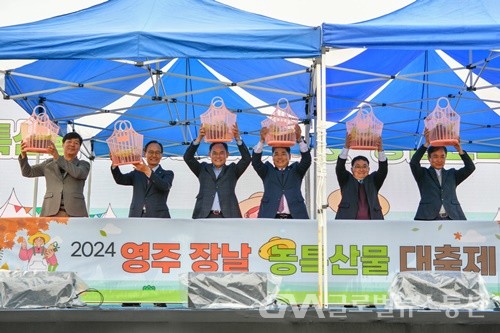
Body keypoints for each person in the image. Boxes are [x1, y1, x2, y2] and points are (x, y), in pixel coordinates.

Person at [183, 123, 251, 219]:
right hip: (204, 216)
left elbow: (246, 159)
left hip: (228, 217)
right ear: (209, 154)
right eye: (214, 153)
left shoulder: (232, 170)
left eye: (221, 153)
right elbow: (188, 157)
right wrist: (199, 138)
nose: (218, 156)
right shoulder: (202, 169)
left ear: (227, 155)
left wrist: (238, 138)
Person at [18, 131, 89, 217]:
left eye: (76, 143)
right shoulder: (49, 164)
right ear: (63, 145)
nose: (72, 144)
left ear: (79, 147)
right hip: (50, 211)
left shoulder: (83, 164)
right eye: (69, 141)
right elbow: (28, 172)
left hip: (75, 212)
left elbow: (78, 173)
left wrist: (57, 157)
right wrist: (23, 156)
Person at [410, 128, 475, 220]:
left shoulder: (452, 174)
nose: (439, 160)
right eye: (435, 157)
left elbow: (470, 167)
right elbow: (413, 163)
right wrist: (427, 143)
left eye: (442, 157)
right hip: (428, 217)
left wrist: (459, 149)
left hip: (452, 217)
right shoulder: (423, 174)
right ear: (429, 159)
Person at [252, 124, 311, 219]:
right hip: (270, 217)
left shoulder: (296, 170)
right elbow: (255, 162)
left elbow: (306, 160)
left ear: (290, 157)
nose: (279, 157)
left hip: (295, 217)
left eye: (283, 154)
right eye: (276, 154)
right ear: (272, 157)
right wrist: (262, 141)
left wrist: (299, 139)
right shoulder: (267, 171)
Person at [111, 140, 174, 218]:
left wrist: (147, 171)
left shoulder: (168, 173)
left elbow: (164, 186)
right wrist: (114, 165)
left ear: (161, 155)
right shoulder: (137, 173)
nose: (154, 155)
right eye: (150, 152)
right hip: (136, 215)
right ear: (145, 154)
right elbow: (120, 179)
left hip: (159, 217)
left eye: (157, 153)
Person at [335, 133, 388, 220]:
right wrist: (346, 147)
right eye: (357, 166)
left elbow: (383, 170)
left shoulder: (374, 180)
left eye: (364, 166)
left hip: (373, 223)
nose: (361, 169)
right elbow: (340, 167)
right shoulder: (346, 179)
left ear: (368, 169)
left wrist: (380, 150)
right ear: (352, 169)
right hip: (347, 222)